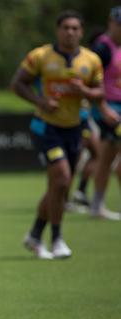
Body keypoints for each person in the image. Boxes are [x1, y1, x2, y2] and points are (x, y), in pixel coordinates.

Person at [11, 10, 105, 260]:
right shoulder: (41, 56)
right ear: (58, 30)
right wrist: (40, 101)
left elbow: (100, 94)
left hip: (73, 128)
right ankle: (57, 239)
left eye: (75, 28)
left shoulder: (91, 60)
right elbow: (18, 84)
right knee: (62, 178)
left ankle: (34, 235)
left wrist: (83, 90)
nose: (70, 32)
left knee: (59, 187)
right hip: (45, 127)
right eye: (66, 27)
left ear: (81, 32)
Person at [86, 6, 121, 220]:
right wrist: (102, 108)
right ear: (111, 23)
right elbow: (88, 82)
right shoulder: (102, 48)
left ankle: (96, 205)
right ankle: (96, 204)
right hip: (108, 108)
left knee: (106, 157)